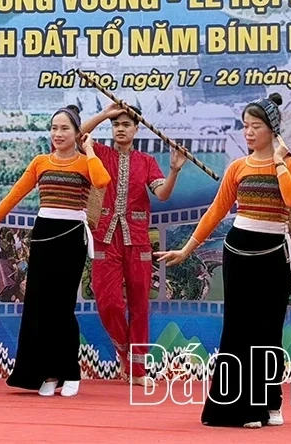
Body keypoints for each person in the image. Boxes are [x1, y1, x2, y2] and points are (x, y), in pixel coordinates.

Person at [155, 93, 291, 428]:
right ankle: (235, 408)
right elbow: (216, 211)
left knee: (268, 330)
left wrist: (280, 160)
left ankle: (270, 402)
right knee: (238, 330)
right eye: (245, 127)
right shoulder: (238, 166)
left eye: (256, 127)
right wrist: (188, 248)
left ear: (272, 130)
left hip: (273, 254)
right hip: (239, 250)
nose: (248, 133)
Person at [0, 105, 111, 397]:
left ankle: (70, 372)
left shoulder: (86, 163)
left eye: (65, 129)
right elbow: (15, 194)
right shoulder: (40, 162)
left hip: (71, 237)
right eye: (54, 128)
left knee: (62, 308)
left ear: (77, 133)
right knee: (39, 308)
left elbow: (102, 181)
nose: (58, 134)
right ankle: (47, 373)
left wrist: (90, 150)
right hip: (43, 236)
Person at [80, 101, 185, 385]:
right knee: (109, 303)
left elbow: (161, 194)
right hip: (105, 236)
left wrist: (174, 170)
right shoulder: (100, 153)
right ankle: (125, 355)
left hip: (137, 239)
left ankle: (137, 371)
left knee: (139, 305)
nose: (120, 129)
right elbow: (79, 136)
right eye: (116, 125)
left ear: (137, 129)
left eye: (126, 124)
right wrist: (104, 114)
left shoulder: (146, 162)